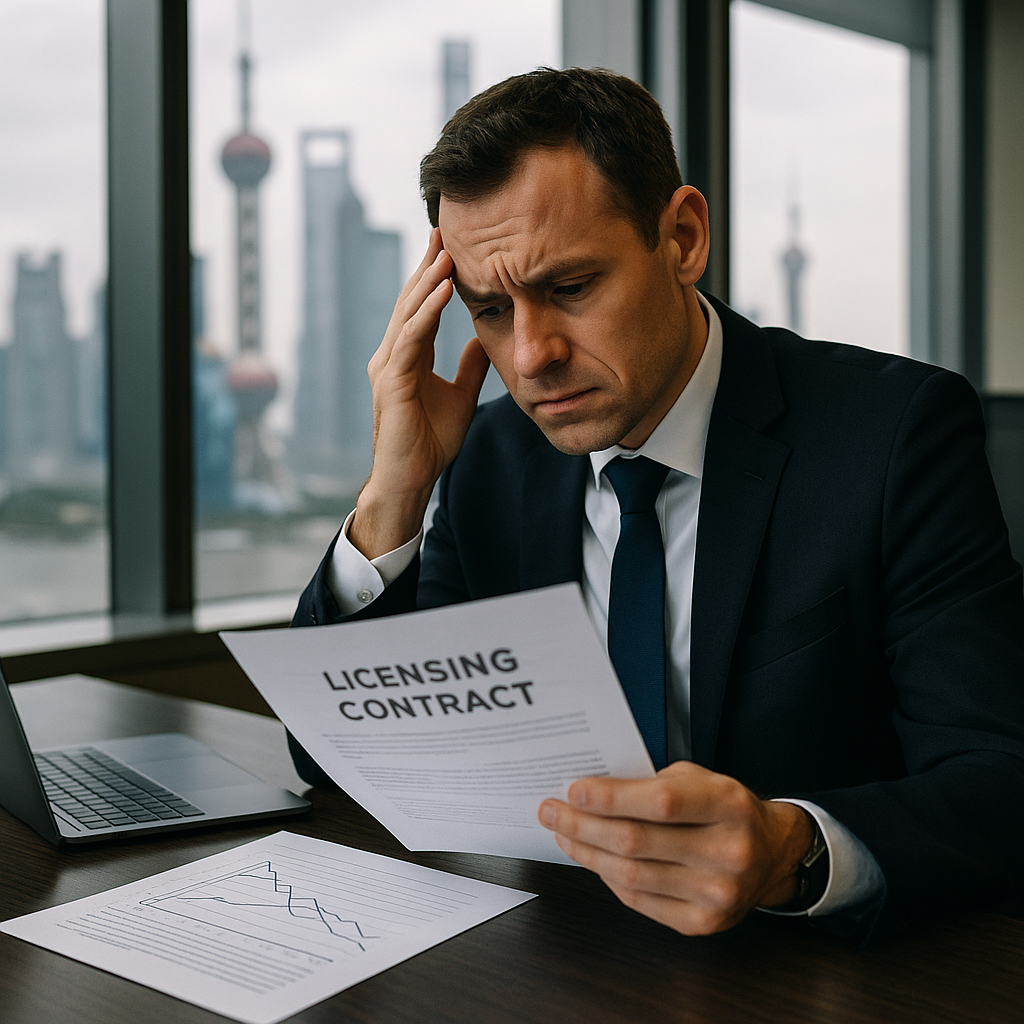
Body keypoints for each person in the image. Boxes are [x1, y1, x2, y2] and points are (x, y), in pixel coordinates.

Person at [291, 68, 1024, 944]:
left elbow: (998, 772)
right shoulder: (490, 458)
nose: (530, 357)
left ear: (681, 237)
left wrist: (790, 848)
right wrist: (393, 496)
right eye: (489, 309)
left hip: (811, 968)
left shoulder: (893, 436)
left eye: (569, 288)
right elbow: (355, 760)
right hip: (565, 958)